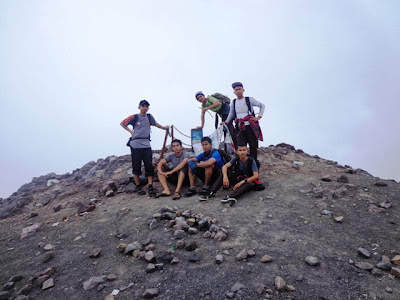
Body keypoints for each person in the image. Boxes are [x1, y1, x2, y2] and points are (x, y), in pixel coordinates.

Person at [120, 100, 169, 196]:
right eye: (143, 106)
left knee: (149, 165)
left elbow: (156, 124)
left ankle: (150, 187)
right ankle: (138, 186)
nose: (145, 108)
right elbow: (122, 123)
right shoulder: (134, 117)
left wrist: (164, 127)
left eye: (147, 106)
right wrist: (131, 132)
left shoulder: (149, 117)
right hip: (135, 144)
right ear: (139, 107)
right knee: (136, 165)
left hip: (146, 144)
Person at [222, 82, 265, 160]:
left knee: (253, 146)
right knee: (241, 146)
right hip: (240, 127)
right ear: (234, 92)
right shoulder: (234, 102)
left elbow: (262, 105)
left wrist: (259, 117)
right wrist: (226, 122)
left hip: (250, 126)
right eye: (236, 90)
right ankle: (242, 164)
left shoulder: (249, 99)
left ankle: (253, 164)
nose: (238, 91)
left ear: (243, 90)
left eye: (239, 89)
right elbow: (231, 113)